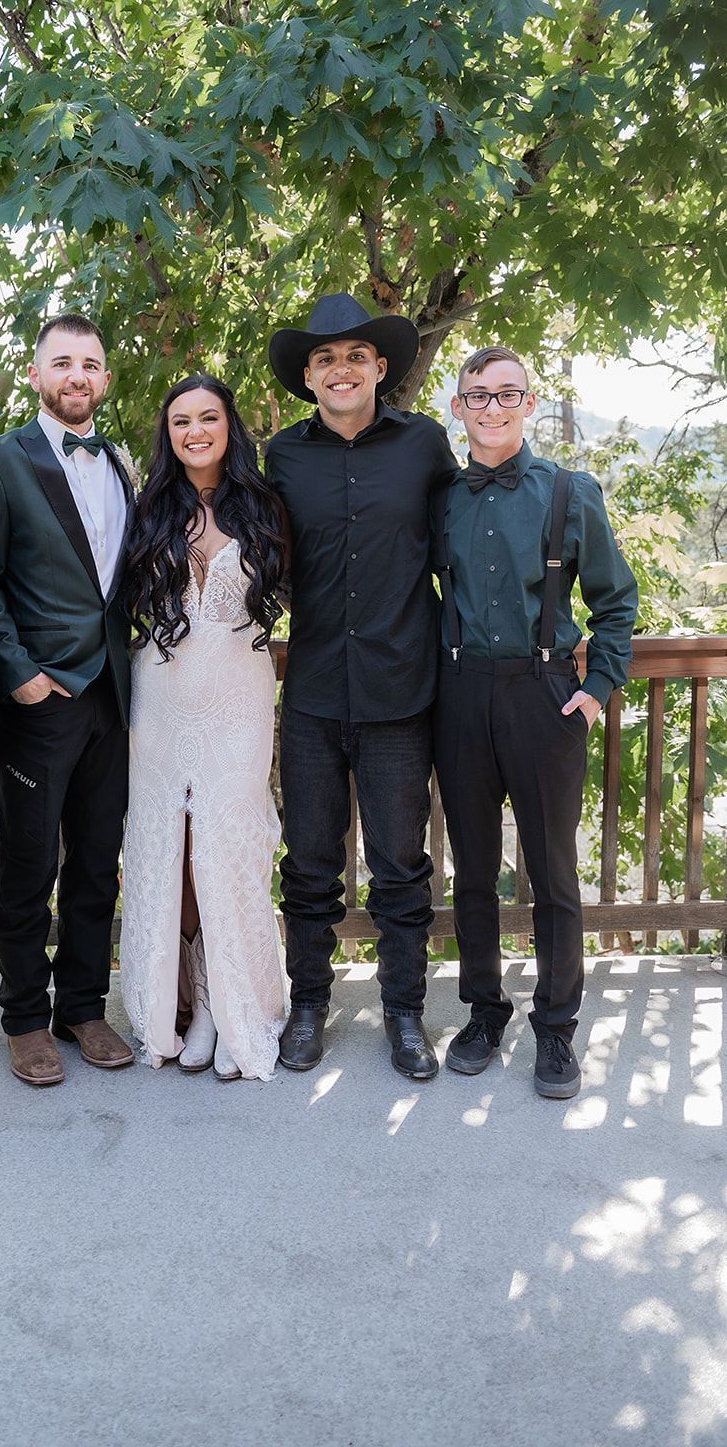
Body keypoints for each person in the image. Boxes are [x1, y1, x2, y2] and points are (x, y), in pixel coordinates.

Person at [433, 346, 638, 1098]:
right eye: (476, 396)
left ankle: (555, 1029)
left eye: (505, 394)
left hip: (544, 696)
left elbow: (614, 600)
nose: (490, 407)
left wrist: (598, 685)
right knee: (474, 869)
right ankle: (484, 1013)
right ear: (456, 409)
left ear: (527, 404)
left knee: (550, 872)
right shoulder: (443, 497)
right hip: (458, 695)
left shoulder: (567, 493)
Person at [264, 293, 457, 1079]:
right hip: (310, 694)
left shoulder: (425, 447)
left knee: (399, 866)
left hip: (399, 695)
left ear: (379, 368)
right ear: (307, 378)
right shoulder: (282, 456)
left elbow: (458, 547)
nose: (339, 369)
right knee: (308, 864)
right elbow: (256, 562)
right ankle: (307, 1004)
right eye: (323, 359)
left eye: (353, 356)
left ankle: (404, 1015)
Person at [0, 314, 135, 1087]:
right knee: (29, 865)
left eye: (90, 364)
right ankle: (26, 1018)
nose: (76, 375)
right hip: (39, 696)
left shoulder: (124, 464)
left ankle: (83, 1007)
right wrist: (17, 669)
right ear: (36, 375)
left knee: (98, 864)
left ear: (103, 379)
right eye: (60, 362)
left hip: (115, 697)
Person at [120, 375, 289, 1081]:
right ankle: (180, 1007)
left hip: (239, 700)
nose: (195, 431)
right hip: (160, 697)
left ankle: (230, 1006)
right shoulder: (148, 507)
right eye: (181, 420)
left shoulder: (264, 506)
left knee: (230, 845)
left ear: (228, 426)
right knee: (170, 849)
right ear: (168, 432)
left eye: (208, 417)